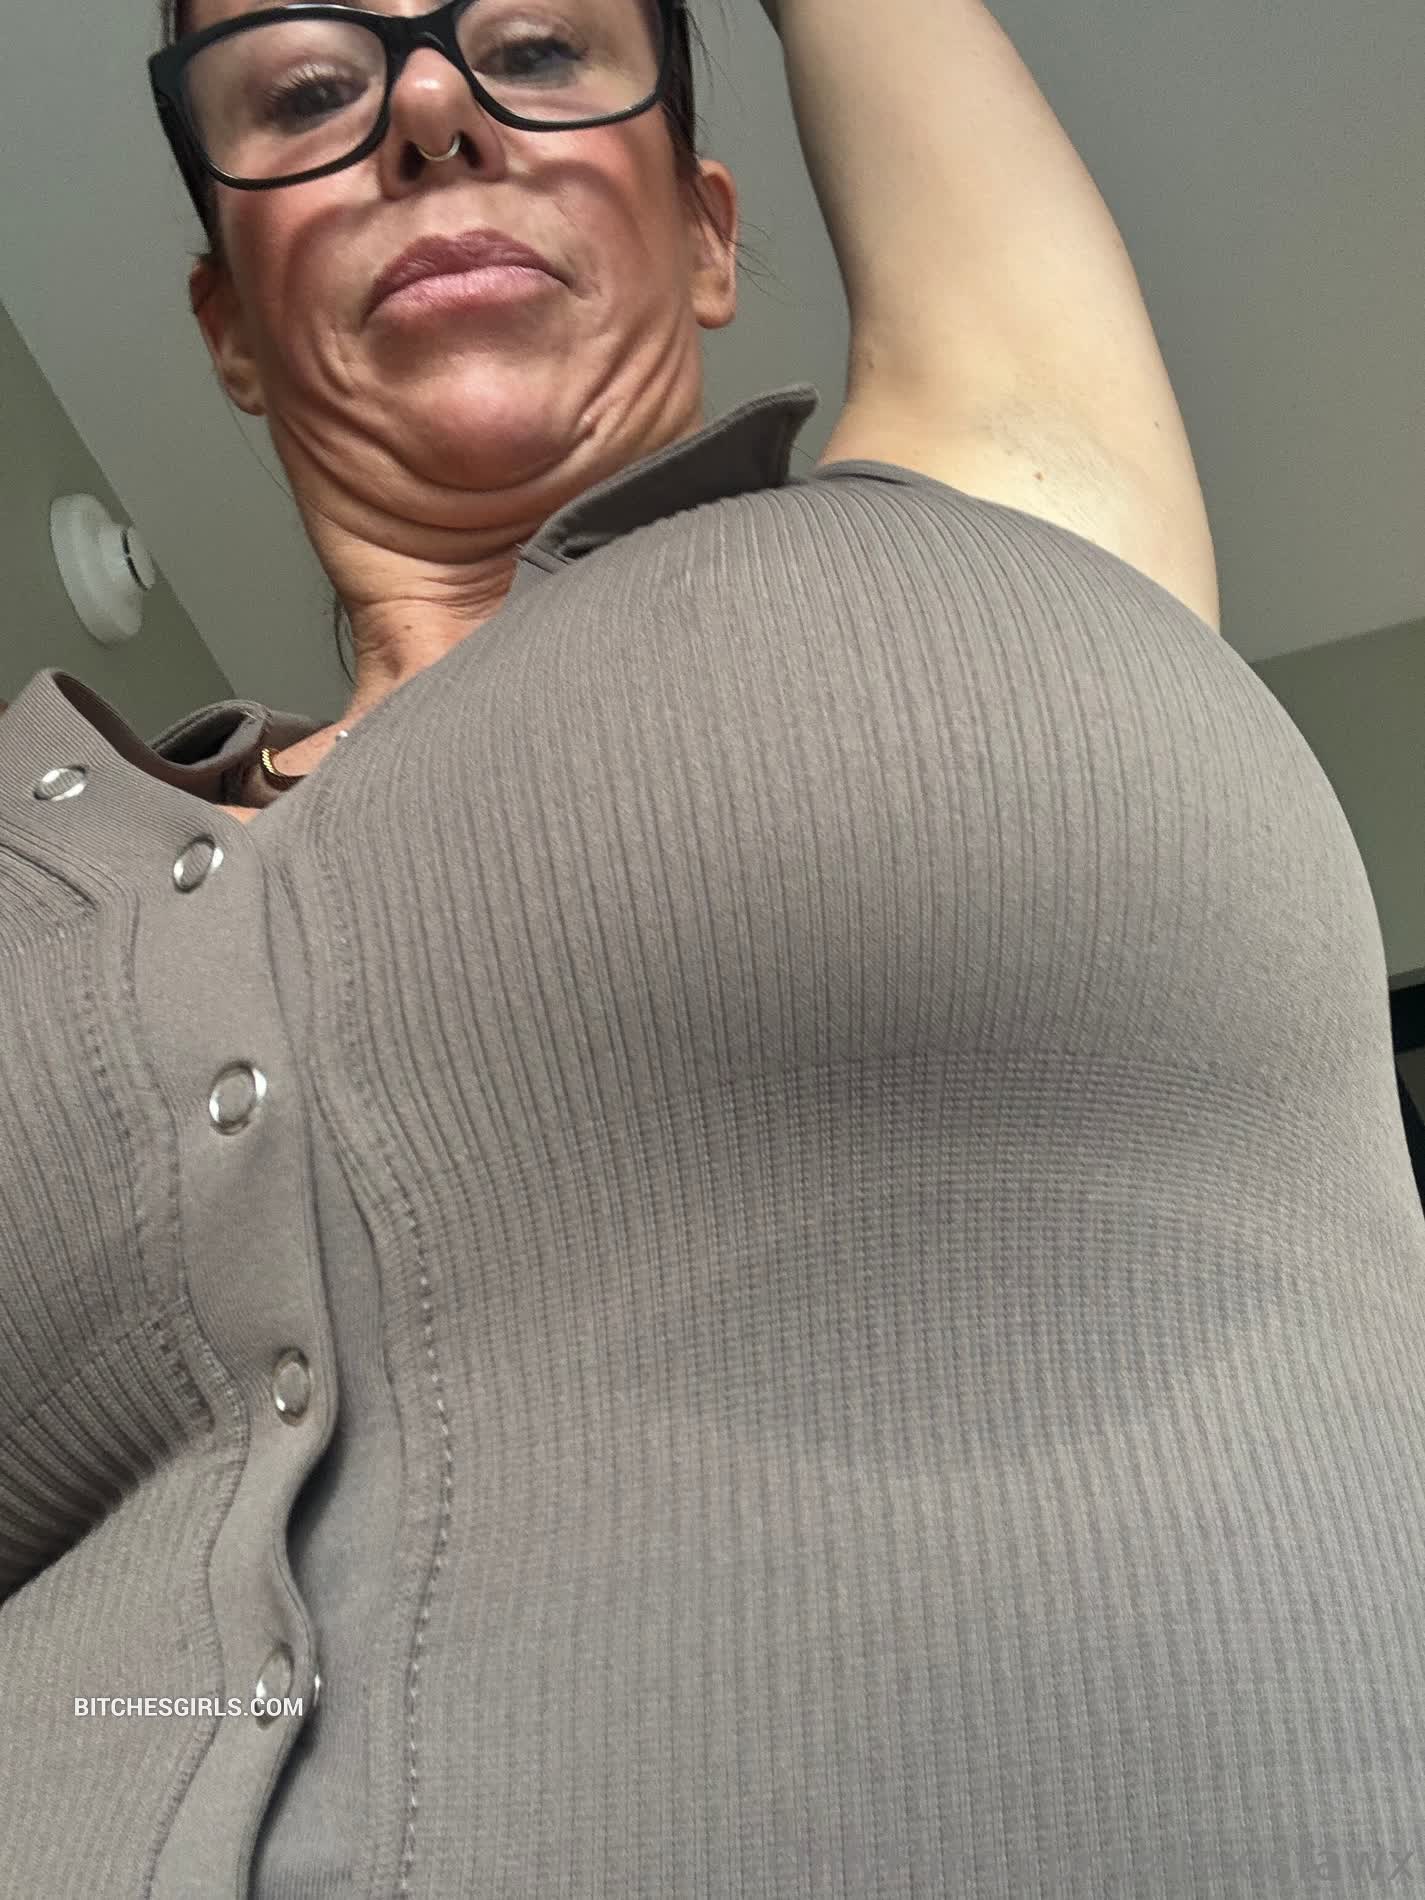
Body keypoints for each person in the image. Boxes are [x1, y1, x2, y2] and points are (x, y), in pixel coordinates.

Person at [1, 0, 1420, 1894]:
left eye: (539, 49)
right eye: (309, 90)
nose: (426, 104)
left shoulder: (981, 537)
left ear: (706, 235)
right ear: (229, 332)